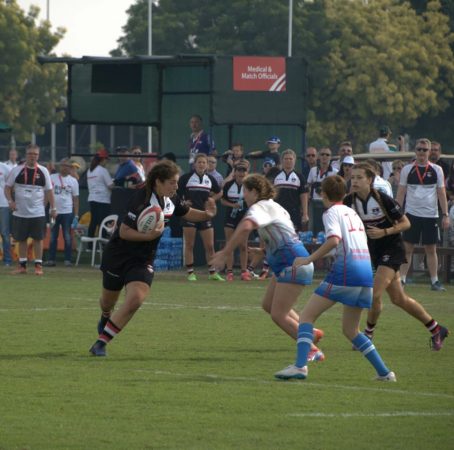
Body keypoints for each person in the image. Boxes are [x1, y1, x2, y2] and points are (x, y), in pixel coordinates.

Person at [89, 160, 218, 357]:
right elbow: (124, 231)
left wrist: (207, 214)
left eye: (176, 182)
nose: (176, 186)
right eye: (172, 182)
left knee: (135, 299)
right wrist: (148, 236)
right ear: (158, 182)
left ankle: (101, 342)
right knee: (108, 303)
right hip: (119, 255)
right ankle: (106, 317)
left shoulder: (171, 199)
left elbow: (188, 212)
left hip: (143, 259)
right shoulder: (141, 199)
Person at [275, 175, 396, 382]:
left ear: (323, 194)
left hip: (346, 272)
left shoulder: (331, 212)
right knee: (351, 330)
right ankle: (385, 373)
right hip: (366, 273)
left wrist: (308, 259)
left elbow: (333, 240)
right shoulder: (353, 213)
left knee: (305, 318)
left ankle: (300, 366)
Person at [210, 173, 325, 362]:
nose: (243, 196)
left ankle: (311, 349)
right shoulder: (274, 206)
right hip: (291, 262)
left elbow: (246, 226)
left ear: (254, 191)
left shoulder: (260, 207)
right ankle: (310, 332)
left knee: (278, 315)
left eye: (245, 191)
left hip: (293, 264)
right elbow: (283, 236)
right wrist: (263, 252)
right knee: (268, 305)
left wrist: (225, 252)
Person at [345, 163, 449, 350]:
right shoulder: (349, 201)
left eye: (359, 177)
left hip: (392, 248)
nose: (355, 181)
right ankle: (436, 328)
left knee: (374, 293)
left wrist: (385, 232)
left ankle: (367, 335)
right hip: (373, 251)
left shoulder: (382, 199)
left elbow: (405, 223)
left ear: (370, 180)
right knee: (398, 299)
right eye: (353, 177)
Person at [396, 138, 450, 291]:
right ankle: (402, 280)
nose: (421, 152)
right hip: (411, 214)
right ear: (415, 150)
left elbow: (441, 193)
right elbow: (401, 192)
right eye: (419, 149)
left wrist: (445, 214)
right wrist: (396, 213)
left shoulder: (436, 169)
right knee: (407, 248)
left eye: (425, 150)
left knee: (431, 249)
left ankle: (434, 281)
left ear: (429, 151)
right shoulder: (407, 169)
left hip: (430, 215)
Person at [4, 144, 56, 275]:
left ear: (38, 156)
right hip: (20, 212)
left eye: (35, 154)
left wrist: (53, 208)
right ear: (26, 155)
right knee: (21, 239)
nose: (33, 156)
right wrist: (10, 201)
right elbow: (7, 188)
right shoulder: (17, 170)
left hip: (37, 212)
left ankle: (38, 266)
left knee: (38, 239)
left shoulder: (43, 171)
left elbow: (49, 191)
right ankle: (22, 266)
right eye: (30, 154)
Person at [177, 153, 224, 281]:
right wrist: (183, 203)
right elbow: (175, 193)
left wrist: (212, 200)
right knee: (190, 245)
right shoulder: (185, 178)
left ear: (207, 165)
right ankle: (191, 273)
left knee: (209, 246)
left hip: (205, 215)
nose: (202, 164)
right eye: (199, 162)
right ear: (194, 164)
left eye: (204, 162)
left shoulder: (210, 179)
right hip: (189, 215)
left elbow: (220, 192)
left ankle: (212, 273)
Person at [44, 159, 79, 267]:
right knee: (53, 236)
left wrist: (76, 215)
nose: (65, 167)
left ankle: (67, 260)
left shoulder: (73, 181)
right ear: (60, 166)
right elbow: (47, 194)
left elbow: (76, 199)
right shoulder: (52, 178)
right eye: (63, 165)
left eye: (67, 166)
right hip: (54, 213)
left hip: (67, 213)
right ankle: (51, 260)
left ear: (70, 168)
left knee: (67, 236)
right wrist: (43, 208)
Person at [220, 159, 251, 281]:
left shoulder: (250, 185)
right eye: (239, 171)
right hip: (230, 217)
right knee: (230, 244)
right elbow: (222, 200)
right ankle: (230, 272)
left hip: (244, 218)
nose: (241, 173)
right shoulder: (228, 185)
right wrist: (233, 205)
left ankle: (244, 272)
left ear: (247, 173)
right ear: (235, 172)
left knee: (243, 245)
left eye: (243, 171)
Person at [272, 149, 309, 232]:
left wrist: (305, 214)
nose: (288, 161)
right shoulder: (275, 176)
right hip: (278, 211)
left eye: (290, 159)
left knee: (294, 235)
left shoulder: (300, 177)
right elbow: (270, 195)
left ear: (294, 160)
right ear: (282, 160)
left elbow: (304, 196)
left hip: (294, 212)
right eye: (286, 159)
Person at [307, 147, 338, 234]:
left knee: (328, 227)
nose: (324, 156)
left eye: (327, 155)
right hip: (314, 203)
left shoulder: (335, 172)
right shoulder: (313, 170)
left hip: (329, 204)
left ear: (330, 157)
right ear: (318, 156)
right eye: (322, 154)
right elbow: (308, 186)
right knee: (314, 228)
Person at [86, 149, 114, 239]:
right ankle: (101, 245)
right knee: (103, 222)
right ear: (103, 159)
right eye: (106, 160)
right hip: (103, 200)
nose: (106, 162)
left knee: (93, 221)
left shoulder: (90, 171)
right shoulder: (103, 170)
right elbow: (110, 186)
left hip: (92, 199)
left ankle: (90, 245)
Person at [0, 161, 12, 265]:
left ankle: (7, 260)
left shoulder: (5, 168)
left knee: (4, 233)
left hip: (3, 204)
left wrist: (10, 200)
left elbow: (11, 185)